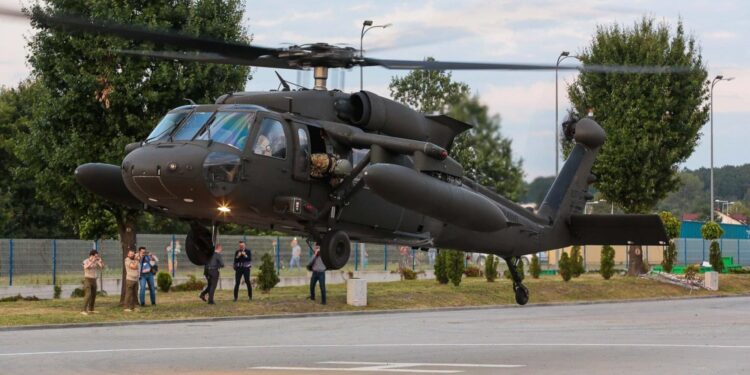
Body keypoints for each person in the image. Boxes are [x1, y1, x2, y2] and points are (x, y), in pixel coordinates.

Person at [81, 249, 104, 315]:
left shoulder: (96, 261)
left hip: (94, 280)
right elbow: (86, 267)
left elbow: (102, 267)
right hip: (88, 279)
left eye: (97, 256)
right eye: (95, 256)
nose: (96, 257)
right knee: (88, 294)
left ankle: (91, 309)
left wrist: (101, 261)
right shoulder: (86, 261)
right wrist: (92, 261)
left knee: (93, 295)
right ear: (91, 256)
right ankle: (83, 310)